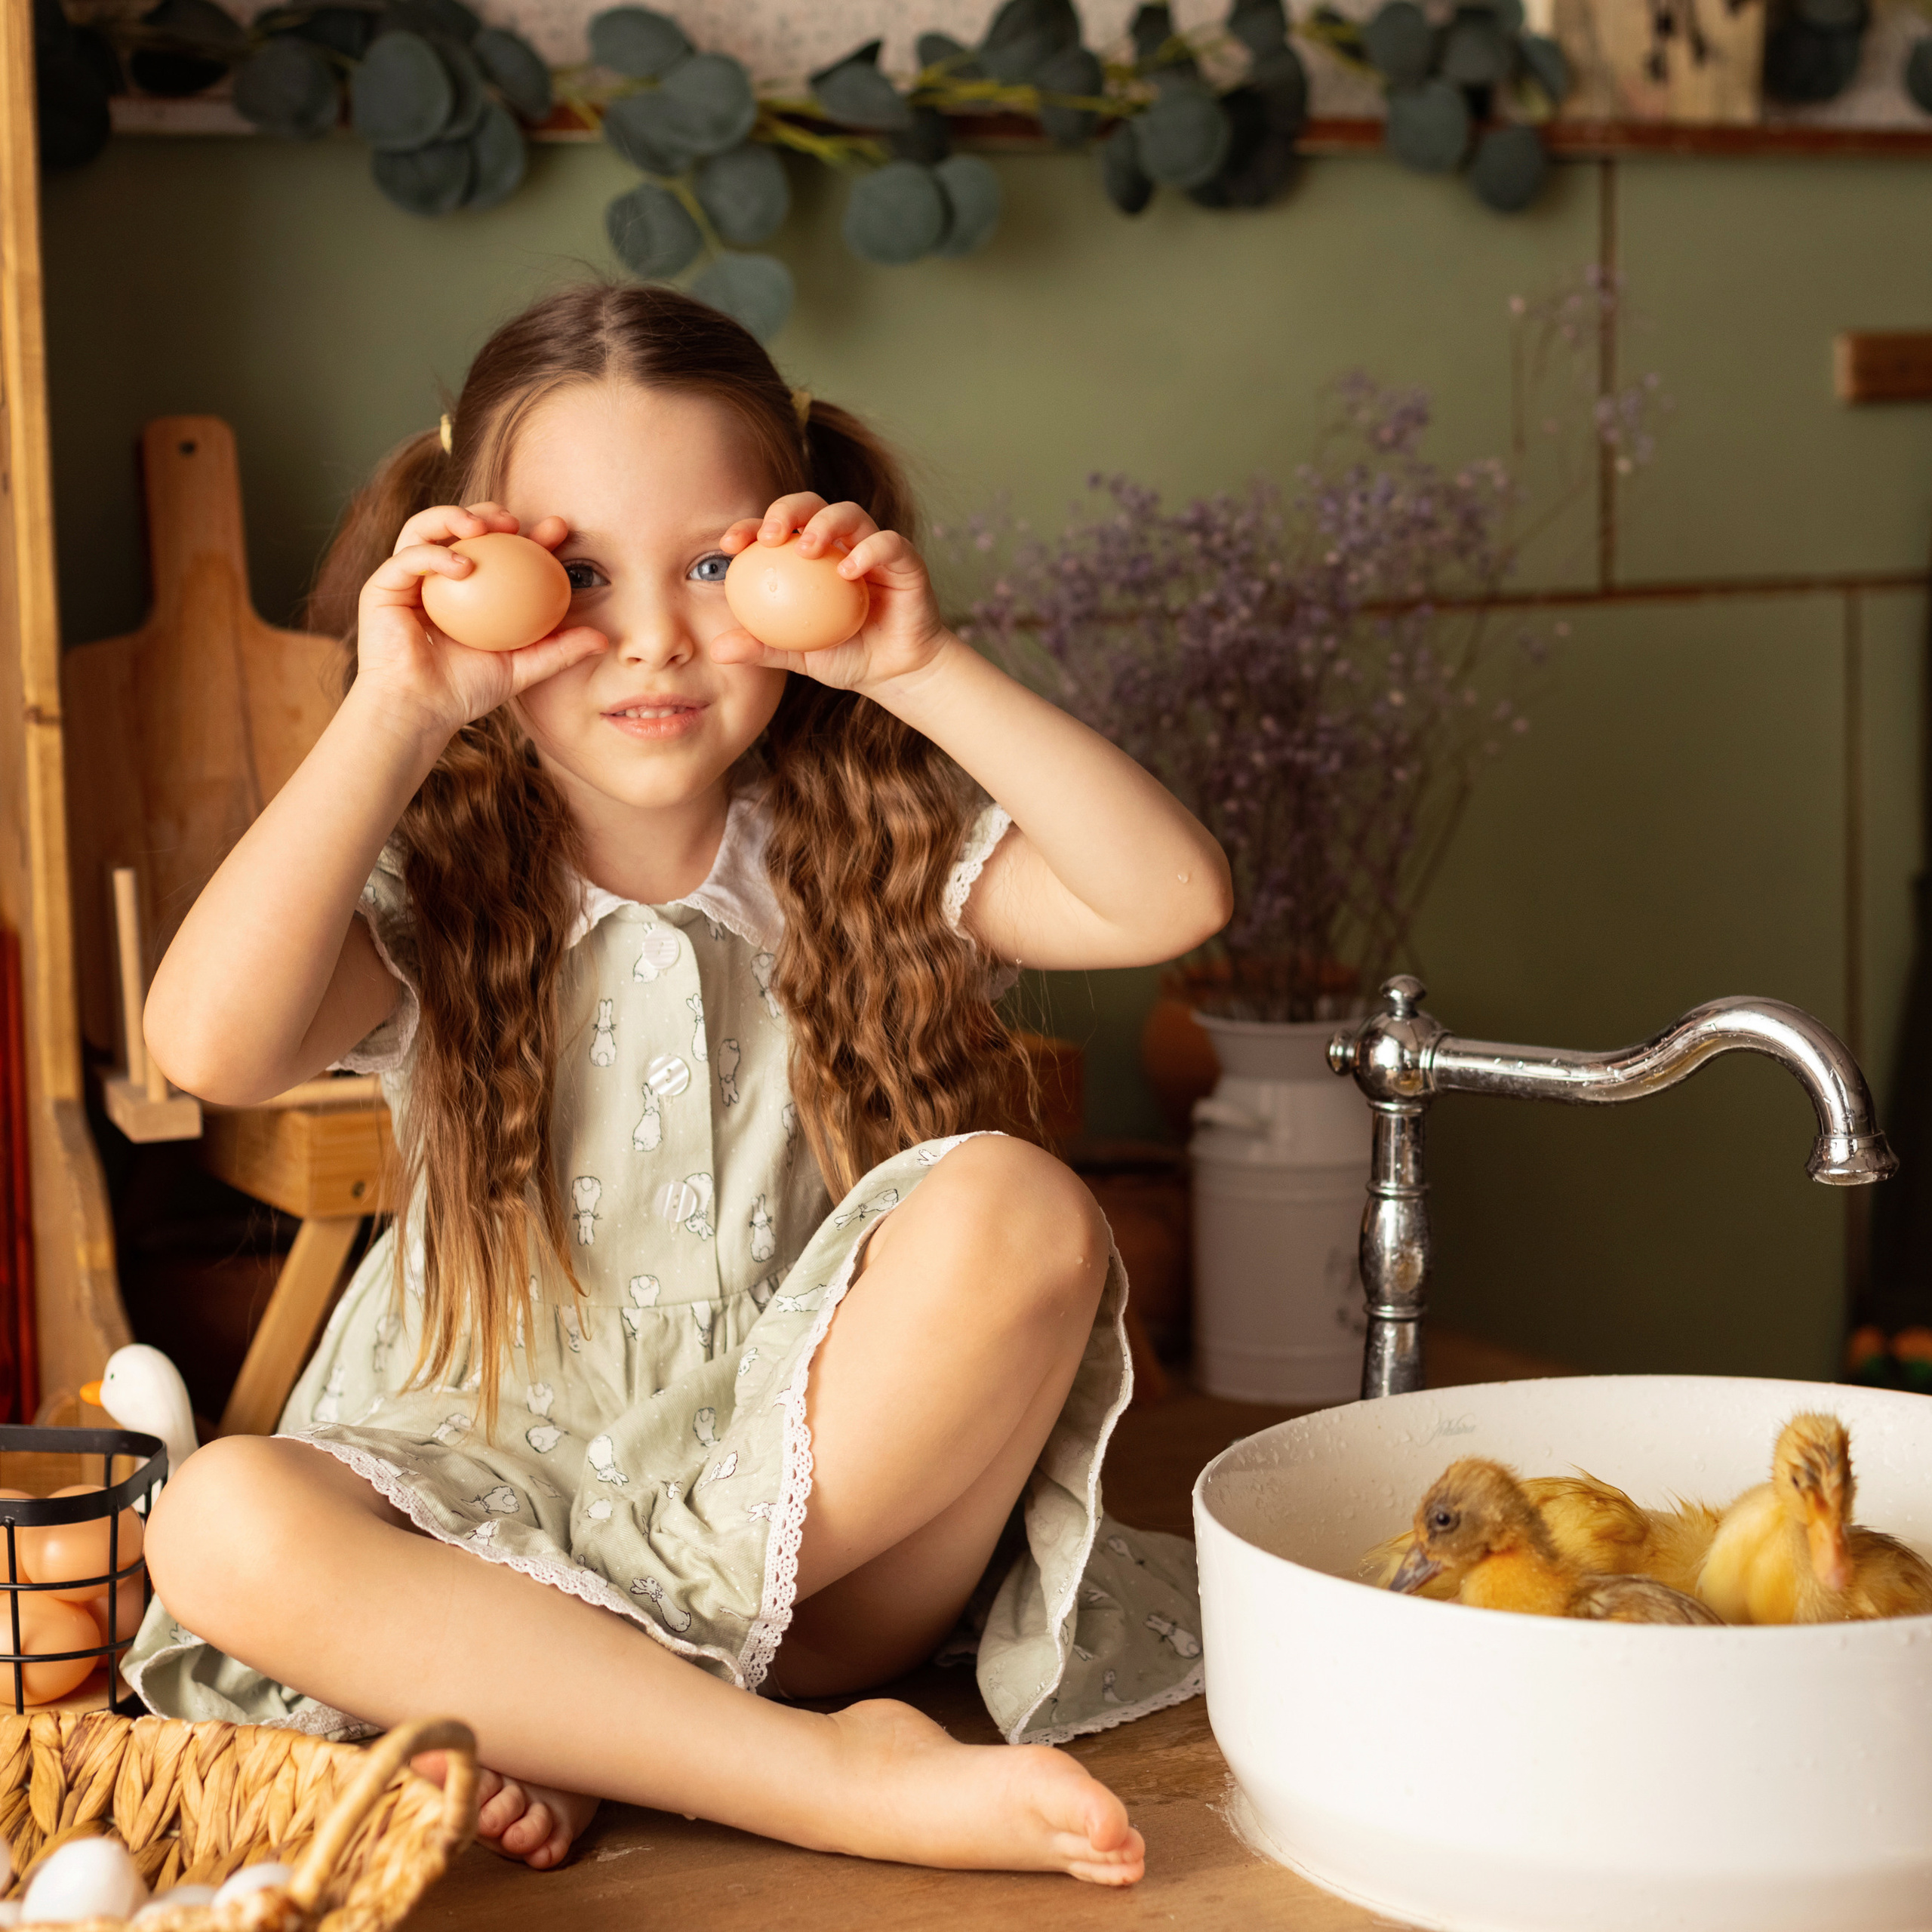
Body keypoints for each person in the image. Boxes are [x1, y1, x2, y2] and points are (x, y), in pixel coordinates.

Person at [131, 282, 1232, 1884]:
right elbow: (208, 1047)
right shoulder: (444, 873)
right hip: (479, 1513)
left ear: (804, 552)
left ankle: (573, 1708)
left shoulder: (866, 847)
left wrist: (913, 666)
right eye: (572, 571)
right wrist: (391, 706)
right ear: (472, 574)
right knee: (218, 1515)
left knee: (1023, 1204)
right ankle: (803, 1774)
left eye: (714, 565)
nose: (651, 631)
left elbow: (1167, 899)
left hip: (812, 1549)